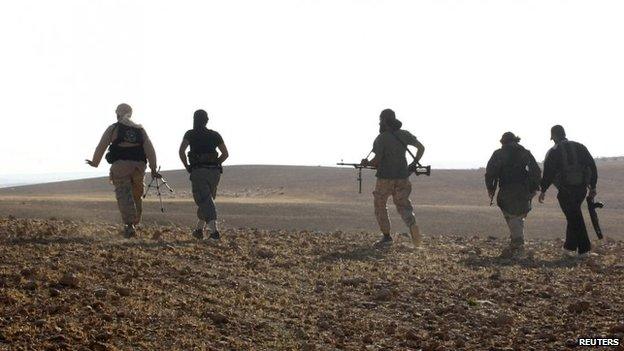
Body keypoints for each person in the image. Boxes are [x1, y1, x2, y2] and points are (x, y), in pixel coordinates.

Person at [86, 103, 159, 237]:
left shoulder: (114, 128)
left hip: (120, 168)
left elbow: (101, 145)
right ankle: (135, 222)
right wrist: (153, 168)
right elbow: (150, 150)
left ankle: (130, 225)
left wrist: (95, 162)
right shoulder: (140, 130)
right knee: (137, 195)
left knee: (124, 195)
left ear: (118, 114)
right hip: (139, 168)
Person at [361, 109, 425, 246]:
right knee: (404, 206)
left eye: (380, 120)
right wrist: (413, 164)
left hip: (385, 178)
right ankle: (415, 235)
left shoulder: (381, 138)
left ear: (384, 121)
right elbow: (421, 147)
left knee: (380, 204)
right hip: (403, 177)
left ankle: (386, 237)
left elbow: (377, 160)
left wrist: (366, 163)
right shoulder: (404, 134)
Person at [539, 125, 598, 257]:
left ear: (553, 136)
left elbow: (548, 172)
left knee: (575, 217)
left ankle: (584, 250)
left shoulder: (553, 151)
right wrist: (592, 186)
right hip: (581, 190)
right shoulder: (580, 146)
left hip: (566, 191)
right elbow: (591, 166)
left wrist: (543, 190)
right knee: (573, 216)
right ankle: (568, 248)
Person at [485, 132, 541, 258]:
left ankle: (518, 246)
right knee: (517, 217)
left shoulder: (499, 154)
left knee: (512, 216)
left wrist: (490, 188)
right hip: (523, 190)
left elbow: (490, 173)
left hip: (507, 190)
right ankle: (516, 244)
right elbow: (536, 172)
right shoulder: (525, 152)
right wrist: (533, 188)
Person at [179, 110, 229, 240]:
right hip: (214, 172)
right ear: (207, 120)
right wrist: (216, 163)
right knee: (207, 200)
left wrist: (187, 167)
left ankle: (214, 232)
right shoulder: (214, 135)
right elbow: (225, 154)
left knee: (204, 200)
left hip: (199, 171)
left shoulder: (190, 134)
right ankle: (199, 230)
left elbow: (181, 151)